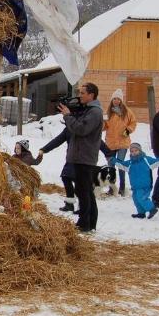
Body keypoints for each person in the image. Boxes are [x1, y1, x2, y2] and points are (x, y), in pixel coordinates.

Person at [58, 83, 104, 233]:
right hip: (81, 156)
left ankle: (84, 223)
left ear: (91, 95)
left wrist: (68, 116)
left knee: (83, 191)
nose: (80, 96)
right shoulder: (88, 110)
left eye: (83, 93)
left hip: (85, 156)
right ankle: (89, 222)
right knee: (85, 191)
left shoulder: (95, 112)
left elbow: (81, 129)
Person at [38, 127, 112, 212]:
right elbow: (58, 140)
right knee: (66, 177)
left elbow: (98, 141)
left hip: (85, 160)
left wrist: (108, 153)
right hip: (71, 159)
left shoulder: (88, 127)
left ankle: (83, 206)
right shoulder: (69, 128)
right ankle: (70, 203)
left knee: (80, 183)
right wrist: (44, 149)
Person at [112, 143, 159, 219]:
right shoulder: (130, 163)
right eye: (132, 151)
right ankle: (141, 213)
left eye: (136, 150)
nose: (134, 152)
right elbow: (121, 164)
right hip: (135, 186)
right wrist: (113, 160)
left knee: (141, 198)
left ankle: (152, 209)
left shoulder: (146, 160)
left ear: (140, 151)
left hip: (144, 185)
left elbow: (157, 161)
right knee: (136, 199)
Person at [103, 89, 137, 196]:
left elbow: (133, 123)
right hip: (111, 143)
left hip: (122, 142)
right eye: (114, 99)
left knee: (121, 164)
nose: (116, 101)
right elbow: (105, 126)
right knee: (111, 166)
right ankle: (112, 188)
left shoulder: (127, 112)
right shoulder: (108, 112)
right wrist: (101, 125)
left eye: (118, 99)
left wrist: (127, 131)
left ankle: (122, 188)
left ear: (121, 101)